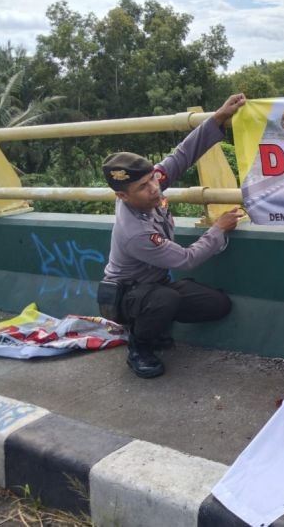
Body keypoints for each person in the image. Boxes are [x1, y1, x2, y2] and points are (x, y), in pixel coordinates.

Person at [98, 94, 246, 379]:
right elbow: (187, 259)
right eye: (144, 186)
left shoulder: (147, 185)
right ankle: (139, 346)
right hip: (127, 296)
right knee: (163, 299)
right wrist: (219, 229)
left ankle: (154, 325)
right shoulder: (136, 233)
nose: (154, 188)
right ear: (122, 195)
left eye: (154, 178)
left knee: (217, 305)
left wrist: (217, 118)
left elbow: (182, 155)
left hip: (156, 285)